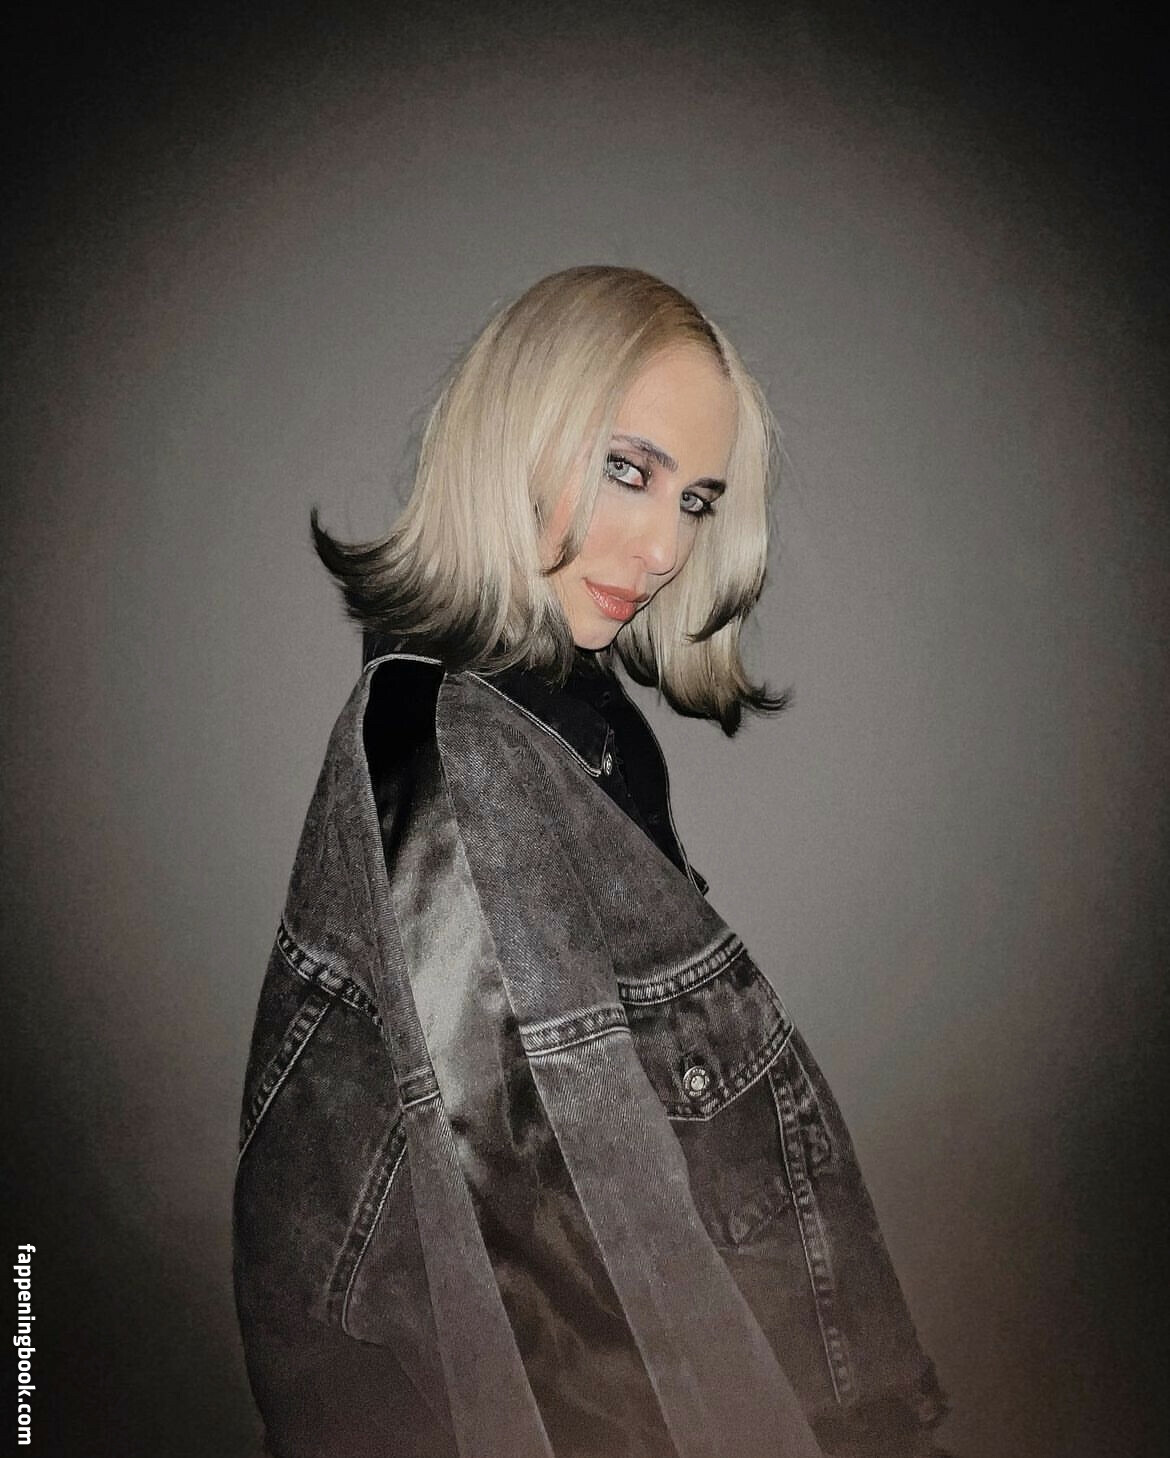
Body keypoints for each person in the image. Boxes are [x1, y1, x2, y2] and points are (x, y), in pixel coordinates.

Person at [233, 266, 950, 1458]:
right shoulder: (459, 754)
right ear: (512, 439)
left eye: (698, 500)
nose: (665, 546)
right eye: (629, 469)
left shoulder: (563, 718)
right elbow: (552, 1287)